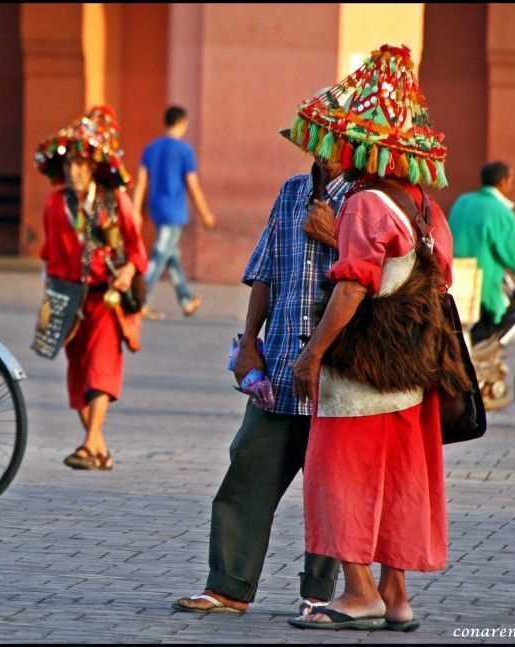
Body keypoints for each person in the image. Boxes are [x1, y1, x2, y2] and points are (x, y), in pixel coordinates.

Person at [288, 43, 468, 632]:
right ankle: (397, 597)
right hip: (410, 378)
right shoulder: (422, 207)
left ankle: (358, 592)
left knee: (338, 477)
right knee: (396, 482)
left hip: (359, 377)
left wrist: (313, 354)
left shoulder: (365, 203)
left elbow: (354, 286)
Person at [171, 105, 352, 612]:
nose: (326, 150)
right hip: (278, 365)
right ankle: (227, 586)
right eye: (319, 138)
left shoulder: (365, 201)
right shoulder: (292, 191)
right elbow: (265, 270)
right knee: (246, 469)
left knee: (331, 489)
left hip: (336, 372)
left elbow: (376, 279)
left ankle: (319, 595)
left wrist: (335, 237)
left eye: (337, 140)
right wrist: (249, 340)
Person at [33, 106, 148, 471]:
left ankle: (87, 443)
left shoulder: (116, 203)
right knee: (77, 373)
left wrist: (128, 271)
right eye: (68, 166)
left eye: (81, 165)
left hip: (104, 299)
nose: (73, 172)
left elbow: (137, 251)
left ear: (94, 167)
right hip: (67, 298)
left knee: (100, 368)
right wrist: (49, 300)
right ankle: (98, 446)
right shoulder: (54, 205)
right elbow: (48, 255)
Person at [132, 106, 215, 319]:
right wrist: (205, 212)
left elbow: (141, 182)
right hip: (174, 211)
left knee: (172, 256)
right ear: (182, 123)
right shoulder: (184, 150)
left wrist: (135, 209)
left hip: (156, 208)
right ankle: (139, 301)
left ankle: (186, 299)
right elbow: (192, 184)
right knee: (159, 255)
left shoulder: (150, 148)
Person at [448, 161, 515, 344]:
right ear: (502, 182)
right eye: (510, 180)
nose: (512, 185)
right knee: (507, 314)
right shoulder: (500, 211)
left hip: (453, 279)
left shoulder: (463, 201)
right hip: (482, 286)